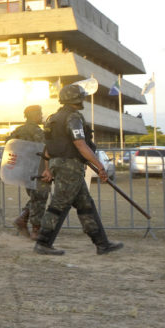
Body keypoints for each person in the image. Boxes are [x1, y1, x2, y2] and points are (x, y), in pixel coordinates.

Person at [33, 83, 123, 256]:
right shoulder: (73, 118)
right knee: (59, 204)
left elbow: (48, 147)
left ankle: (102, 243)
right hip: (70, 167)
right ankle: (43, 242)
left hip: (59, 164)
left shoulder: (53, 118)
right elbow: (80, 144)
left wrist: (48, 169)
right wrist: (100, 165)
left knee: (85, 205)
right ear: (78, 99)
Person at [8, 105, 49, 239]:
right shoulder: (37, 131)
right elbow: (44, 150)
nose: (42, 116)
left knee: (35, 197)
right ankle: (36, 230)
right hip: (37, 169)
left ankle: (22, 218)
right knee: (40, 198)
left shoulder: (18, 130)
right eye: (40, 113)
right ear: (34, 115)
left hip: (24, 170)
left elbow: (8, 144)